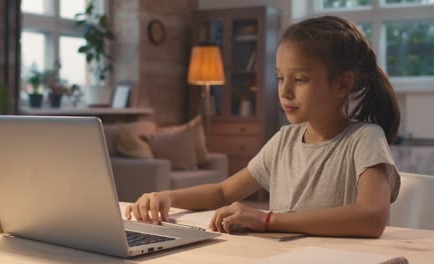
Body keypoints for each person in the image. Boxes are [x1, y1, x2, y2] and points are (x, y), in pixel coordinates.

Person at [125, 16, 401, 238]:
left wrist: (267, 219)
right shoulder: (285, 140)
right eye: (281, 78)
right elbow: (223, 192)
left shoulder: (365, 138)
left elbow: (372, 218)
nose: (285, 91)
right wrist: (167, 196)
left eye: (301, 79)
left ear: (342, 84)